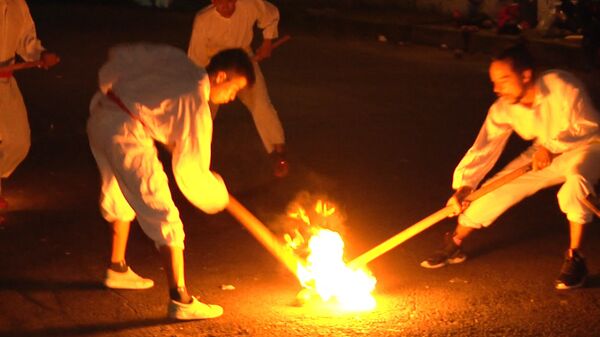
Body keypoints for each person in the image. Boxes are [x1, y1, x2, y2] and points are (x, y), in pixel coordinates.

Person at [87, 43, 255, 320]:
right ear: (221, 77)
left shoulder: (180, 62)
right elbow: (191, 169)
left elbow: (124, 55)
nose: (231, 98)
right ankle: (181, 299)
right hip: (127, 133)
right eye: (234, 90)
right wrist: (218, 194)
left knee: (118, 190)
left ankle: (117, 268)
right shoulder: (195, 101)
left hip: (102, 117)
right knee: (162, 210)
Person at [420, 44, 600, 290]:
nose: (497, 88)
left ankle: (575, 257)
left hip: (589, 146)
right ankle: (456, 242)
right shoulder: (503, 108)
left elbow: (586, 125)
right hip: (543, 152)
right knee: (495, 188)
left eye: (503, 80)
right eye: (494, 81)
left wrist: (552, 147)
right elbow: (485, 147)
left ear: (525, 75)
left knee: (576, 183)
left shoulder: (561, 84)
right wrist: (465, 187)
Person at [188, 0, 289, 177]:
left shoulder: (249, 4)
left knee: (261, 104)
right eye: (220, 4)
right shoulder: (203, 19)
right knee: (203, 112)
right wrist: (201, 84)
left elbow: (270, 14)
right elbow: (196, 57)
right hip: (216, 65)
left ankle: (278, 154)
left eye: (229, 3)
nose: (226, 8)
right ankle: (192, 156)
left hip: (243, 61)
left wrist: (267, 42)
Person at [0, 0, 59, 211]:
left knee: (18, 142)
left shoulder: (17, 4)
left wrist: (40, 55)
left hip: (5, 80)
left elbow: (27, 39)